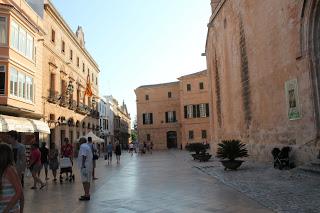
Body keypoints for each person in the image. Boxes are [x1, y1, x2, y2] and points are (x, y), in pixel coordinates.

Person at [0, 143, 24, 213]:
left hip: (9, 210)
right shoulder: (2, 170)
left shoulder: (9, 170)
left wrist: (6, 210)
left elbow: (19, 192)